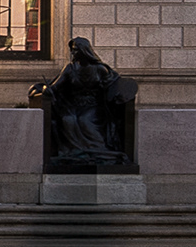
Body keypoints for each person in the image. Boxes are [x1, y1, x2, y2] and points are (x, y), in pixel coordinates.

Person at [34, 34, 135, 173]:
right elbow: (55, 87)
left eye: (76, 50)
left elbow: (114, 87)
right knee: (68, 120)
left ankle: (97, 152)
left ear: (84, 51)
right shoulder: (70, 69)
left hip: (94, 107)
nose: (73, 53)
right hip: (73, 106)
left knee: (85, 120)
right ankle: (73, 153)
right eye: (72, 50)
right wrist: (46, 89)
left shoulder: (100, 69)